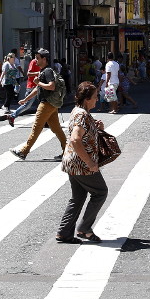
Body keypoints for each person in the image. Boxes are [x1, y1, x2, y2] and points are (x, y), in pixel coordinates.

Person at [56, 81, 109, 243]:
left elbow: (82, 134)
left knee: (78, 197)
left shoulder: (78, 111)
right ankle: (84, 228)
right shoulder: (82, 114)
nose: (97, 99)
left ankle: (64, 232)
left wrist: (96, 126)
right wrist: (90, 163)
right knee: (100, 192)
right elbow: (75, 139)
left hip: (72, 162)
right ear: (87, 99)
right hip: (81, 164)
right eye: (95, 96)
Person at [10, 49, 67, 160]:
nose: (36, 60)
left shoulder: (47, 71)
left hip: (46, 103)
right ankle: (67, 151)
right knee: (57, 129)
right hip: (51, 104)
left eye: (38, 58)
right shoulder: (43, 71)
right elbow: (37, 89)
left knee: (36, 127)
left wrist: (38, 82)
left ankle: (23, 151)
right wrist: (25, 99)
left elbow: (51, 86)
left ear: (44, 59)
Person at [8, 48, 45, 123]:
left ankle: (44, 121)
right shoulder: (34, 62)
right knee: (27, 105)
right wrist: (38, 73)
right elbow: (29, 73)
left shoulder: (41, 63)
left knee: (43, 103)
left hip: (39, 86)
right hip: (32, 86)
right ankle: (12, 116)